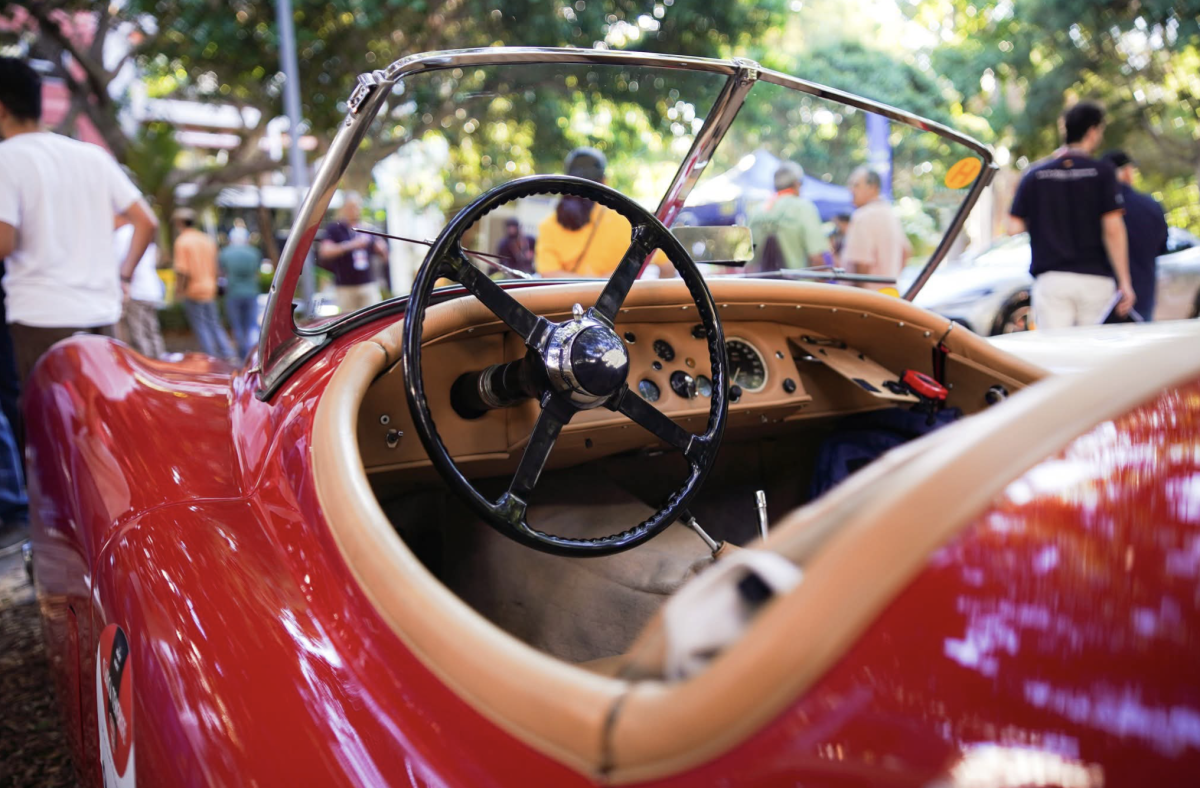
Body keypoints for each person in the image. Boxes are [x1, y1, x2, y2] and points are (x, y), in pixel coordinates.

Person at [0, 57, 158, 386]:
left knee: (45, 415)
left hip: (39, 320)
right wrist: (124, 276)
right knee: (98, 412)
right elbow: (146, 222)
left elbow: (4, 243)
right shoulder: (92, 156)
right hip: (102, 319)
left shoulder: (8, 158)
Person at [1008, 102, 1134, 328]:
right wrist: (1124, 281)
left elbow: (1013, 228)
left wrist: (1044, 217)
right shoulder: (1102, 173)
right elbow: (1113, 229)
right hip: (1095, 280)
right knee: (1094, 347)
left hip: (1052, 280)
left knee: (1055, 349)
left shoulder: (1035, 175)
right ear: (1092, 131)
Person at [535, 147, 634, 277]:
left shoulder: (548, 225)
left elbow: (549, 274)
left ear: (564, 182)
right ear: (604, 182)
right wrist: (606, 282)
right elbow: (658, 265)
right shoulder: (628, 221)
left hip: (567, 291)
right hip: (616, 290)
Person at [1103, 150, 1168, 321]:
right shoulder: (1150, 206)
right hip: (1142, 294)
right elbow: (1162, 247)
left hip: (1104, 297)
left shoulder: (1095, 207)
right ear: (1126, 171)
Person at [172, 208, 235, 360]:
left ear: (179, 223)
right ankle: (228, 354)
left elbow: (183, 271)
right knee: (214, 323)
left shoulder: (182, 241)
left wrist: (179, 291)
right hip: (209, 287)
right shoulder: (206, 240)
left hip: (193, 290)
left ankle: (211, 358)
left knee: (201, 326)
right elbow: (217, 267)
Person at [747, 161, 828, 271]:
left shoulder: (756, 211)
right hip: (797, 281)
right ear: (796, 183)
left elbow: (748, 264)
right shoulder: (803, 208)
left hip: (761, 281)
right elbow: (817, 258)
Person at [841, 166, 910, 290]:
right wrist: (890, 278)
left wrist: (857, 296)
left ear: (872, 188)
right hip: (888, 294)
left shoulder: (863, 216)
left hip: (867, 297)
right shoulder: (890, 213)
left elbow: (862, 264)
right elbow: (906, 252)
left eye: (856, 185)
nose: (850, 190)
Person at [318, 193, 387, 313]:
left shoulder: (367, 228)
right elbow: (325, 251)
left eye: (357, 207)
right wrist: (351, 245)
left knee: (374, 315)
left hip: (368, 284)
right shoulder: (335, 228)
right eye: (351, 207)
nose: (354, 210)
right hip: (345, 287)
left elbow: (385, 254)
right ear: (344, 208)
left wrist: (381, 248)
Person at [114, 216, 167, 359]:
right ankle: (160, 364)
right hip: (151, 290)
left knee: (138, 336)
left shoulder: (122, 235)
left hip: (136, 291)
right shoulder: (140, 233)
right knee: (152, 332)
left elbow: (121, 265)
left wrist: (124, 285)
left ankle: (147, 366)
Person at [220, 226, 262, 359]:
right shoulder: (254, 252)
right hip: (251, 292)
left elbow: (222, 273)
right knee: (252, 325)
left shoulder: (226, 252)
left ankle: (243, 356)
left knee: (237, 326)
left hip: (233, 293)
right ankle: (254, 355)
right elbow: (257, 273)